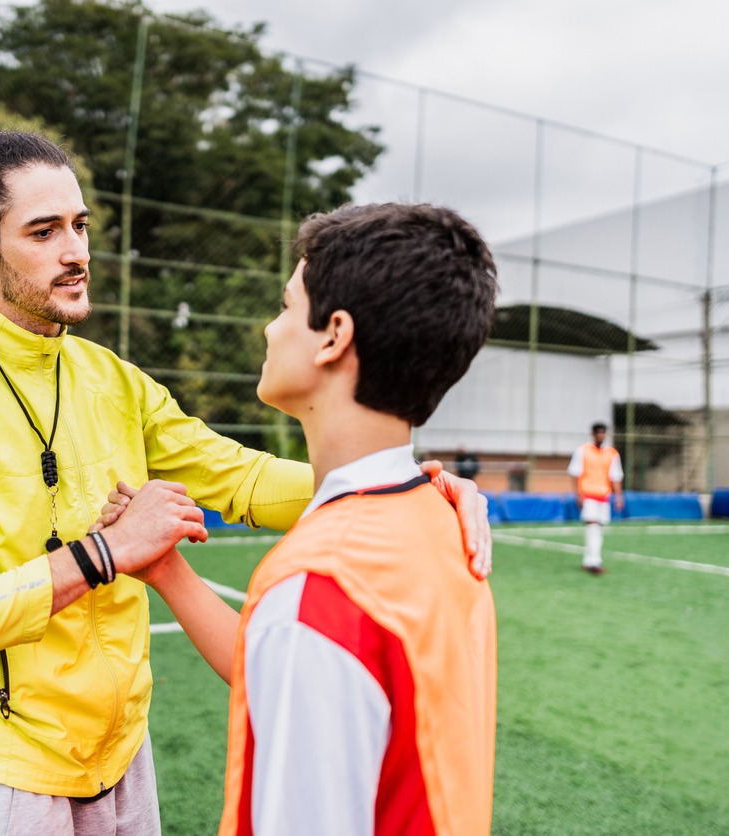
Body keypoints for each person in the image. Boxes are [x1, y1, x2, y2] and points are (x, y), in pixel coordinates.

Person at [0, 103, 490, 835]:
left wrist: (404, 479)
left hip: (124, 756)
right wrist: (103, 554)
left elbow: (240, 480)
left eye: (79, 226)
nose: (75, 252)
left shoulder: (114, 380)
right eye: (43, 233)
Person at [104, 202, 499, 834]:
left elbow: (308, 647)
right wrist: (168, 572)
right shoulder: (443, 518)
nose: (270, 328)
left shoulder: (320, 587)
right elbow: (290, 677)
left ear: (334, 335)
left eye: (287, 306)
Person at [568, 421, 624, 575]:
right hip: (588, 495)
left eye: (603, 433)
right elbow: (575, 473)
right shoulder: (583, 451)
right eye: (598, 432)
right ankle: (594, 561)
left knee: (596, 529)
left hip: (604, 496)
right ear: (593, 434)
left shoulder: (612, 453)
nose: (600, 435)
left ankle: (588, 560)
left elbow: (616, 476)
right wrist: (578, 493)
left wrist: (619, 496)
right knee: (593, 526)